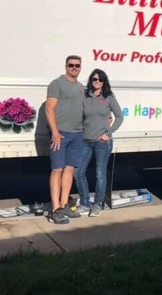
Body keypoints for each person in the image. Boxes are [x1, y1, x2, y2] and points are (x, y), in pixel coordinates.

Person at [74, 68, 124, 217]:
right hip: (85, 140)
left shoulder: (108, 97)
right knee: (78, 172)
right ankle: (84, 202)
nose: (97, 82)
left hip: (102, 142)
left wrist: (108, 133)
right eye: (94, 79)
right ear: (91, 81)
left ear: (104, 82)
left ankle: (97, 204)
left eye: (100, 79)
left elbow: (119, 117)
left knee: (100, 174)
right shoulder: (85, 97)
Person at [45, 55, 85, 224]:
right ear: (66, 66)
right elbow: (49, 109)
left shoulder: (81, 87)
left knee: (69, 170)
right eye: (71, 65)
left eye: (77, 66)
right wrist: (55, 132)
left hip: (77, 134)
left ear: (80, 68)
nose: (74, 68)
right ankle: (56, 210)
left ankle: (64, 205)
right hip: (60, 134)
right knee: (57, 170)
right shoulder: (57, 84)